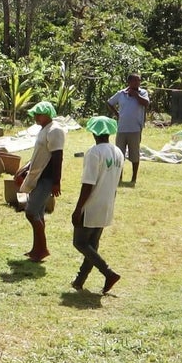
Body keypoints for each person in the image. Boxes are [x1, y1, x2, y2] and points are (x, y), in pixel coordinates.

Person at [71, 116, 124, 293]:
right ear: (109, 132)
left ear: (94, 132)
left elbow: (88, 183)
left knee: (80, 243)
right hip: (107, 203)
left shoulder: (94, 152)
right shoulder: (118, 152)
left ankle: (108, 272)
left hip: (92, 205)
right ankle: (79, 280)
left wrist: (78, 209)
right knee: (91, 245)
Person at [13, 101, 64, 262]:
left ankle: (42, 249)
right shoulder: (44, 129)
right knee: (39, 214)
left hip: (47, 177)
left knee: (31, 212)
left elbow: (57, 157)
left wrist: (56, 181)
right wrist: (25, 169)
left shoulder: (55, 131)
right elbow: (39, 153)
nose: (35, 117)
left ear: (47, 114)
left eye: (38, 114)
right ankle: (37, 248)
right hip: (38, 176)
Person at [107, 74, 153, 187]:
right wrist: (117, 114)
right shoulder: (121, 93)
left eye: (139, 81)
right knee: (119, 154)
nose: (138, 83)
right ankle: (119, 177)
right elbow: (109, 103)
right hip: (122, 128)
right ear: (129, 82)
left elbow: (146, 103)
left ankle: (134, 177)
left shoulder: (143, 93)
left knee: (134, 154)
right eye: (136, 81)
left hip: (135, 129)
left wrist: (136, 95)